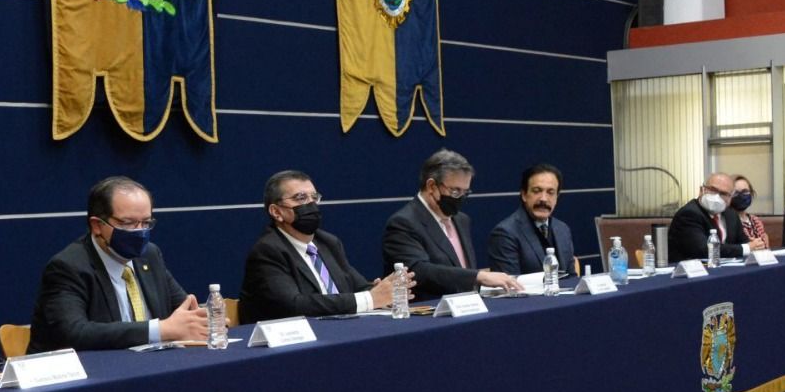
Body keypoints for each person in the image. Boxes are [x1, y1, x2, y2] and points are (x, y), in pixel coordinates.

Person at [29, 176, 209, 352]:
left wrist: (204, 320)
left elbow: (184, 310)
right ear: (97, 225)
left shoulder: (150, 255)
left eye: (146, 223)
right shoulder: (68, 266)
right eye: (128, 223)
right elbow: (74, 333)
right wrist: (159, 330)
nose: (140, 232)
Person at [239, 170, 412, 323]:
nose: (311, 204)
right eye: (301, 198)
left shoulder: (327, 242)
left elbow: (358, 287)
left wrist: (384, 292)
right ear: (277, 212)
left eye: (314, 198)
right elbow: (294, 305)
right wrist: (370, 299)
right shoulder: (267, 251)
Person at [382, 150, 522, 298]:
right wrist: (478, 276)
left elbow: (461, 268)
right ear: (431, 186)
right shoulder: (403, 223)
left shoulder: (462, 220)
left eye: (465, 192)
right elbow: (418, 271)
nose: (460, 198)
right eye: (455, 191)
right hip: (427, 309)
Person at [488, 163, 578, 277]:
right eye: (536, 191)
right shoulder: (505, 233)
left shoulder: (562, 229)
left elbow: (572, 277)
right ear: (524, 195)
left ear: (557, 197)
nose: (543, 199)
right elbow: (510, 284)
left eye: (550, 192)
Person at [668, 172, 766, 262]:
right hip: (691, 272)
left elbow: (743, 242)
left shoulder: (731, 214)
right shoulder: (689, 213)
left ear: (730, 198)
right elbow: (704, 250)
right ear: (702, 190)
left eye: (723, 194)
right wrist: (746, 248)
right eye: (712, 190)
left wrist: (755, 245)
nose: (716, 196)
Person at [730, 174, 766, 242]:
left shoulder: (755, 220)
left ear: (751, 193)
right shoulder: (728, 222)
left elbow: (765, 243)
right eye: (735, 193)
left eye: (745, 191)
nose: (741, 196)